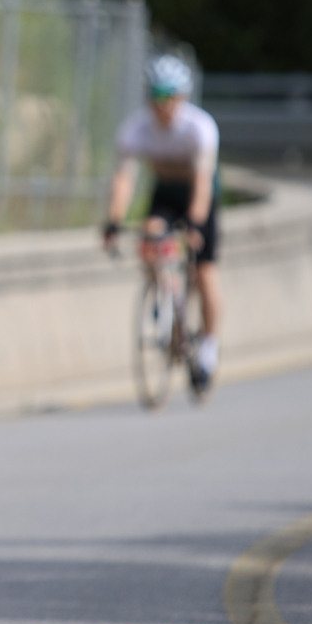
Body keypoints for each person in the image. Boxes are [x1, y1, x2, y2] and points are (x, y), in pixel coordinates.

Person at [103, 54, 223, 388]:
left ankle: (208, 348)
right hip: (166, 194)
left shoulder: (198, 128)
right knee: (150, 233)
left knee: (205, 271)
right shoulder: (136, 128)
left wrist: (195, 224)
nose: (162, 105)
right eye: (156, 96)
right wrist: (113, 220)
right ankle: (165, 290)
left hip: (199, 196)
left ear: (182, 97)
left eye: (169, 97)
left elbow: (202, 184)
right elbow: (124, 178)